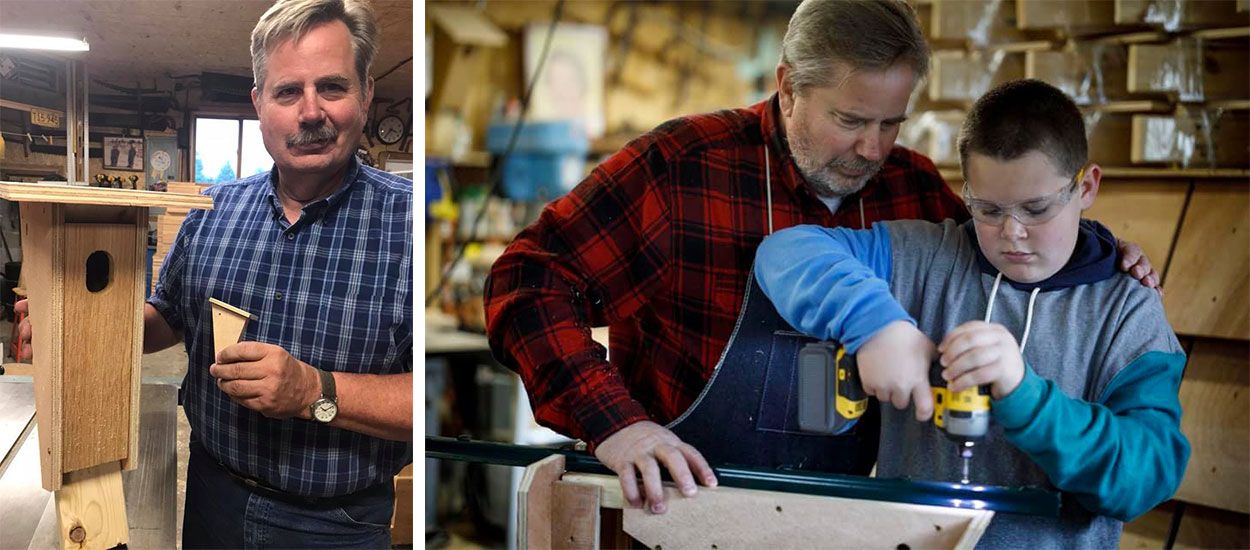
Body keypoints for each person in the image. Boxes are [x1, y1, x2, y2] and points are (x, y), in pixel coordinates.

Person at [484, 0, 1161, 515]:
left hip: (842, 523)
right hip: (674, 510)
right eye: (849, 120)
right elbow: (527, 280)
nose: (872, 149)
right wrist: (618, 427)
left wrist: (1098, 253)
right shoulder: (680, 169)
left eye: (890, 122)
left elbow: (1011, 242)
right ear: (788, 86)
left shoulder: (912, 191)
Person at [21, 0, 412, 547]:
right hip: (211, 497)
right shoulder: (215, 209)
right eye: (286, 92)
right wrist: (81, 320)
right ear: (258, 104)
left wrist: (314, 391)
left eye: (332, 87)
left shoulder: (414, 226)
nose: (309, 112)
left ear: (367, 94)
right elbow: (168, 319)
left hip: (334, 524)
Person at [754, 79, 1188, 547]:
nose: (1012, 233)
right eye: (988, 209)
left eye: (1036, 209)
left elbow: (1147, 476)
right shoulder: (924, 257)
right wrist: (877, 324)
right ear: (967, 192)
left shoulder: (1128, 311)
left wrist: (1026, 396)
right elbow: (786, 251)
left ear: (1086, 187)